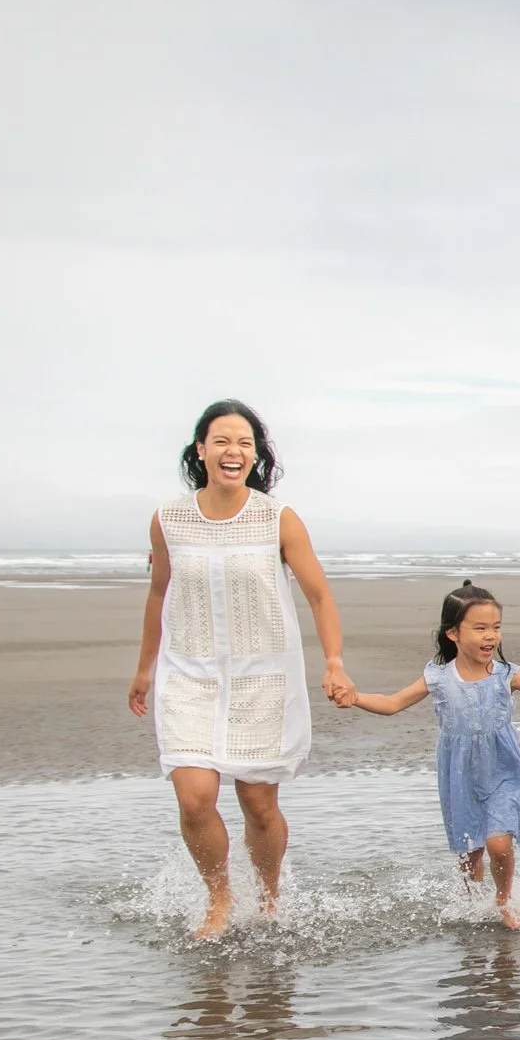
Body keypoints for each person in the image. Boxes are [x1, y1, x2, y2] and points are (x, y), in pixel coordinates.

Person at [129, 400, 355, 940]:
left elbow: (320, 596)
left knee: (257, 801)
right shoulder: (169, 518)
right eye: (223, 441)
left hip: (263, 676)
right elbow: (159, 593)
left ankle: (270, 896)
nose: (234, 452)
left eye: (245, 443)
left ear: (256, 456)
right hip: (189, 675)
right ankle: (220, 899)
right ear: (201, 450)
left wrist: (335, 662)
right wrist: (144, 669)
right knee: (194, 798)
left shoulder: (278, 518)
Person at [344, 581, 520, 930]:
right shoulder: (438, 678)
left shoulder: (507, 675)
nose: (490, 636)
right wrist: (355, 697)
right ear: (453, 633)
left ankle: (504, 899)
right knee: (470, 851)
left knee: (498, 841)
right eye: (479, 628)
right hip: (460, 774)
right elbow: (392, 704)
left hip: (504, 769)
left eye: (495, 627)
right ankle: (472, 901)